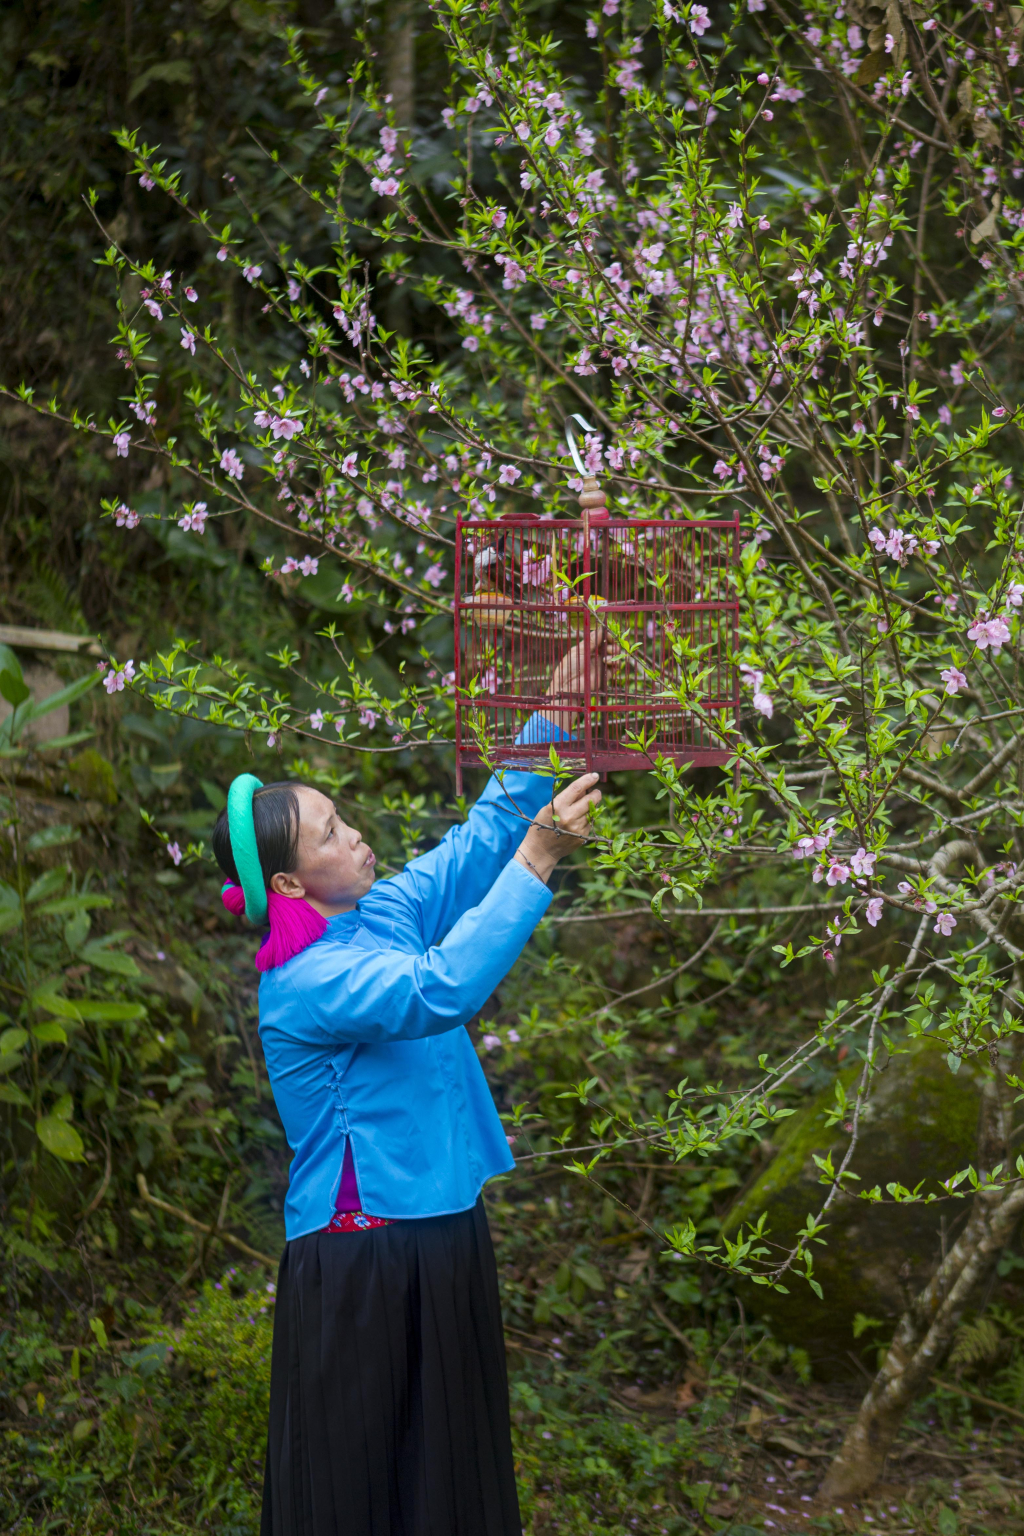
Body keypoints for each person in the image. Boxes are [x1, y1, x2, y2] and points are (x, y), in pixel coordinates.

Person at [211, 640, 602, 1536]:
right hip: (365, 1255)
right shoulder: (306, 981)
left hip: (441, 1232)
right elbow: (439, 990)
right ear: (287, 883)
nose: (354, 835)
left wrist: (555, 712)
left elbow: (480, 839)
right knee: (363, 1494)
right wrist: (540, 861)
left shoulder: (379, 911)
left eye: (342, 818)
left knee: (449, 1482)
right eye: (329, 835)